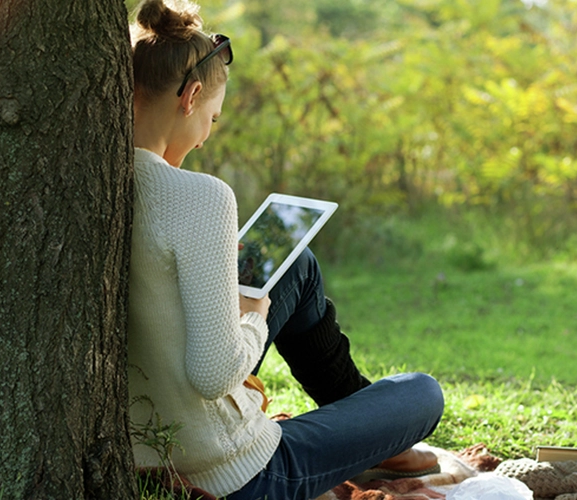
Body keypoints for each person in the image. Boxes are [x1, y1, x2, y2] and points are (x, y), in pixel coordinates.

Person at [127, 1, 445, 498]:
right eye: (212, 118)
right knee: (422, 393)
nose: (207, 139)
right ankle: (373, 438)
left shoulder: (89, 185)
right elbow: (212, 375)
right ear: (190, 97)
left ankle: (359, 415)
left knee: (294, 263)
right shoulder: (201, 196)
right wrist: (252, 316)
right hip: (237, 473)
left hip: (146, 429)